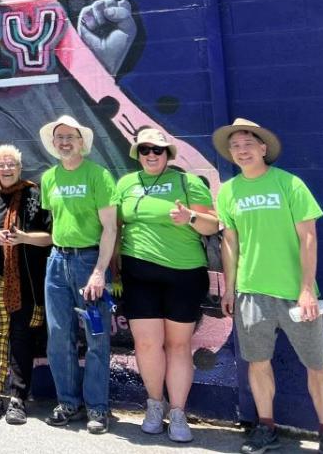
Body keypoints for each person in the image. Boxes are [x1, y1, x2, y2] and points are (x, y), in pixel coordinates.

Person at [214, 119, 323, 454]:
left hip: (295, 295)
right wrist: (230, 288)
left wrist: (305, 289)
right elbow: (229, 242)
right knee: (258, 363)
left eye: (247, 144)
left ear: (262, 148)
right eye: (235, 146)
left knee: (317, 364)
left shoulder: (289, 184)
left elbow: (309, 237)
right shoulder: (228, 191)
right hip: (251, 294)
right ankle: (266, 427)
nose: (241, 150)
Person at [115, 127, 219, 442]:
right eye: (145, 149)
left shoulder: (187, 183)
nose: (151, 155)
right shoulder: (126, 183)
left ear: (168, 154)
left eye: (157, 150)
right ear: (137, 154)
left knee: (177, 345)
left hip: (184, 275)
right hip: (138, 274)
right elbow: (114, 227)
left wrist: (188, 217)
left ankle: (177, 412)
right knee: (146, 345)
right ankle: (154, 405)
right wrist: (113, 270)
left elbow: (213, 224)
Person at [39, 114, 118, 433]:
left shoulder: (98, 175)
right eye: (59, 138)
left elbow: (110, 228)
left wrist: (99, 272)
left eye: (70, 137)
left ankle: (98, 409)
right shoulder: (49, 178)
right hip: (57, 261)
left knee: (96, 337)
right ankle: (68, 403)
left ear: (82, 142)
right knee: (59, 336)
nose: (64, 142)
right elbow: (55, 222)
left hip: (89, 263)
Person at [0, 144, 52, 425]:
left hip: (27, 282)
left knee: (21, 338)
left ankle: (17, 398)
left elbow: (51, 236)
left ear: (20, 167)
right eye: (1, 164)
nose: (6, 169)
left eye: (11, 164)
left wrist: (24, 239)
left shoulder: (34, 195)